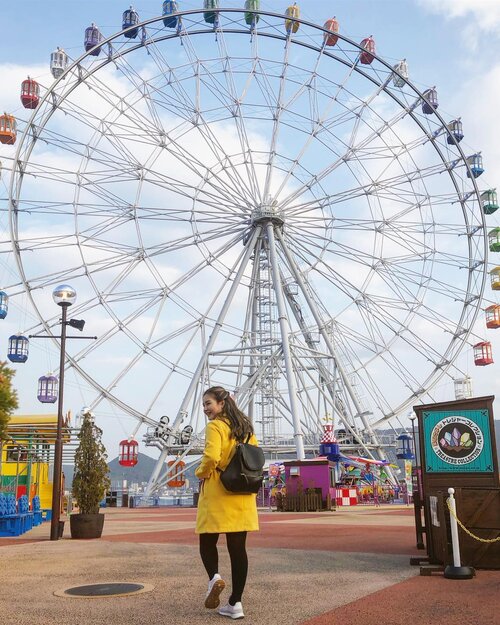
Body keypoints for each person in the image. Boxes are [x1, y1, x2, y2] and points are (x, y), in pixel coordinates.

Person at [195, 386, 259, 620]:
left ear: (222, 403)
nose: (205, 409)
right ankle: (236, 603)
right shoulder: (246, 428)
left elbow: (211, 457)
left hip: (218, 490)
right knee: (238, 549)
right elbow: (254, 456)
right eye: (204, 405)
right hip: (242, 492)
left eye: (208, 403)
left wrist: (200, 473)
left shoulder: (215, 426)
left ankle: (214, 577)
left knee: (207, 540)